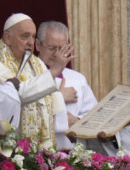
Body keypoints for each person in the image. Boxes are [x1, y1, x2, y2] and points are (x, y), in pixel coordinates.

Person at [0, 13, 73, 146]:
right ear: (7, 37)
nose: (30, 42)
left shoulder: (37, 63)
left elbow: (55, 109)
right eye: (25, 36)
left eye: (33, 36)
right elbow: (16, 95)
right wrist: (54, 72)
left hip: (41, 147)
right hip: (9, 148)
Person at [35, 21, 97, 149]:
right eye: (51, 48)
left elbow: (94, 116)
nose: (57, 54)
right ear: (37, 45)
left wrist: (77, 121)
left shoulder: (77, 79)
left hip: (73, 152)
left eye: (62, 48)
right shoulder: (28, 75)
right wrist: (59, 97)